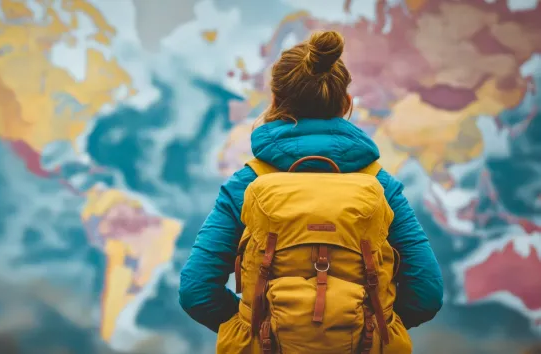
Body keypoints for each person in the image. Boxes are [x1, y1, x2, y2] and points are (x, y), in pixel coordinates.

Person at [179, 30, 443, 353]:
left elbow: (196, 290)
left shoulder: (246, 184)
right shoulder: (381, 185)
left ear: (275, 101)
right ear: (346, 103)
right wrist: (370, 327)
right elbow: (427, 291)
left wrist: (253, 327)